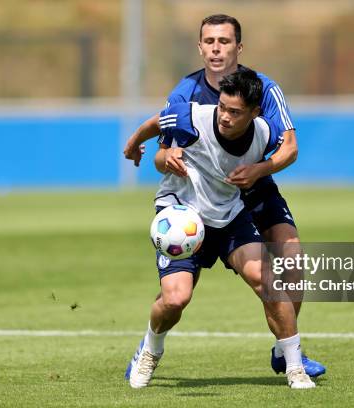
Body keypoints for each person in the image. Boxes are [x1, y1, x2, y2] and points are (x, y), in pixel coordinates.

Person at [123, 14, 325, 378]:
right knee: (178, 296)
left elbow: (289, 147)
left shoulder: (262, 89)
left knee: (290, 261)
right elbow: (160, 151)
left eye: (224, 41)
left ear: (238, 47)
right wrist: (162, 156)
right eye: (210, 42)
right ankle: (151, 345)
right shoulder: (186, 96)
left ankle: (287, 353)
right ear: (200, 47)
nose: (216, 49)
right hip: (197, 199)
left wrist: (260, 170)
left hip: (253, 187)